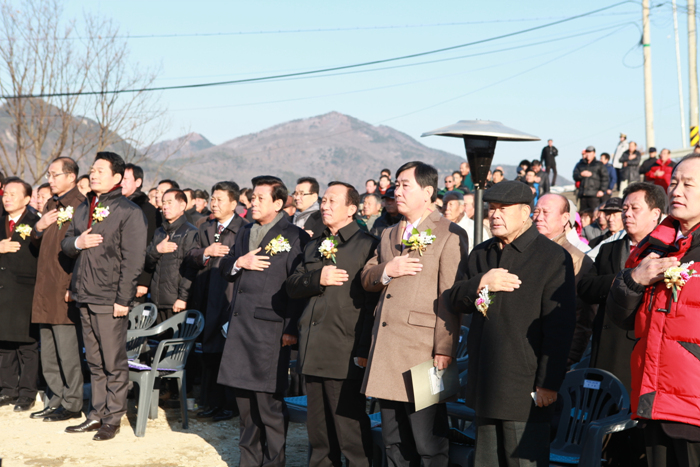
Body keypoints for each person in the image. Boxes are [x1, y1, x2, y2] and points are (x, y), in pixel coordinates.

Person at [449, 181, 576, 466]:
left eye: (503, 209)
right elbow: (455, 299)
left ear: (525, 213)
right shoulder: (481, 254)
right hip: (485, 381)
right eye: (492, 209)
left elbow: (560, 326)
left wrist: (548, 383)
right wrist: (482, 283)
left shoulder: (553, 257)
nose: (495, 215)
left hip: (525, 387)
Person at [361, 161, 468, 466]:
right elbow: (366, 276)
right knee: (393, 440)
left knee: (428, 442)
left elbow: (451, 295)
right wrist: (387, 270)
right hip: (387, 349)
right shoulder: (388, 232)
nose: (398, 190)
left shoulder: (449, 232)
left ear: (428, 191)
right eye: (396, 184)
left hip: (423, 352)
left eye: (405, 184)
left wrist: (444, 348)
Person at [606, 155, 700, 467]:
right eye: (674, 182)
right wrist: (634, 279)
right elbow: (620, 317)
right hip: (654, 397)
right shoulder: (654, 247)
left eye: (688, 184)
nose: (677, 190)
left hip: (693, 404)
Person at [218, 176, 309, 466]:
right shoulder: (245, 231)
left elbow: (298, 289)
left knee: (268, 406)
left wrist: (292, 328)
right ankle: (249, 461)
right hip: (240, 329)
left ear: (279, 203)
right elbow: (225, 265)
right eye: (252, 198)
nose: (253, 203)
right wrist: (238, 263)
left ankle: (273, 461)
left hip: (270, 332)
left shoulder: (294, 236)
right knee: (244, 407)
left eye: (259, 198)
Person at [287, 182, 379, 467]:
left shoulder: (367, 245)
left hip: (345, 348)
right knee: (319, 434)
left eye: (332, 201)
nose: (324, 206)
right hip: (313, 346)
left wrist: (363, 348)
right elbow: (293, 286)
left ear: (352, 209)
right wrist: (318, 279)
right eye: (323, 200)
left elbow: (370, 305)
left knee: (349, 431)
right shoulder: (314, 244)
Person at [61, 151, 147, 441]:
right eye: (93, 169)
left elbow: (133, 261)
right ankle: (95, 414)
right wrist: (77, 242)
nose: (93, 174)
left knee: (113, 360)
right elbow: (66, 243)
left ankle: (113, 416)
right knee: (94, 362)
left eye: (100, 170)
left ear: (117, 177)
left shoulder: (128, 212)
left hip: (110, 298)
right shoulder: (83, 208)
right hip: (85, 294)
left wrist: (123, 299)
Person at [29, 158, 85, 422]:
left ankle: (73, 404)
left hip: (64, 288)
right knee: (48, 350)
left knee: (67, 352)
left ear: (71, 176)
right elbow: (39, 246)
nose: (49, 179)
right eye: (48, 175)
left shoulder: (80, 206)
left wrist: (74, 285)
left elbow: (83, 252)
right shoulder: (51, 204)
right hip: (44, 288)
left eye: (55, 174)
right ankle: (55, 399)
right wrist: (38, 228)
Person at [187, 181, 247, 422]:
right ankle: (210, 402)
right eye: (212, 198)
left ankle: (229, 405)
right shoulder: (205, 226)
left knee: (227, 353)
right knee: (209, 353)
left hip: (228, 297)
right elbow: (190, 254)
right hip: (205, 295)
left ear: (234, 203)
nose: (214, 203)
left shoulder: (244, 229)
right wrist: (206, 252)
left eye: (220, 199)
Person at [533, 193, 596, 365]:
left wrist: (571, 355)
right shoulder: (527, 249)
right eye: (536, 211)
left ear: (565, 218)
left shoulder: (576, 258)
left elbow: (583, 313)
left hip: (553, 349)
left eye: (546, 212)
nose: (538, 217)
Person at [0, 178, 40, 412]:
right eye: (5, 193)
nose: (7, 198)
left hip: (26, 291)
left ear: (27, 199)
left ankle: (27, 393)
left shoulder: (36, 223)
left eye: (13, 194)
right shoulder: (1, 221)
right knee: (3, 343)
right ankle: (7, 389)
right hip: (3, 290)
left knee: (27, 345)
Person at [145, 189, 198, 324]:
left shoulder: (190, 232)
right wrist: (157, 249)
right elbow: (147, 262)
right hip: (156, 300)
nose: (165, 206)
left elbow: (191, 269)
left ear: (182, 206)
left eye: (170, 202)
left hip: (176, 302)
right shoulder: (159, 232)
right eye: (163, 203)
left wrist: (183, 298)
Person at [122, 164, 161, 303]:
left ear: (138, 182)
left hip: (135, 277)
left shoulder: (148, 210)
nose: (121, 182)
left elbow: (149, 245)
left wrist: (144, 281)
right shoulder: (117, 205)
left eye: (126, 178)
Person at [573, 146, 609, 211]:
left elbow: (605, 178)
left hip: (594, 195)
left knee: (595, 214)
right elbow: (575, 176)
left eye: (590, 152)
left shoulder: (599, 164)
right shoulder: (580, 164)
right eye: (587, 152)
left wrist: (602, 190)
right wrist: (581, 174)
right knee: (582, 215)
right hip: (583, 194)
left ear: (594, 154)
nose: (588, 154)